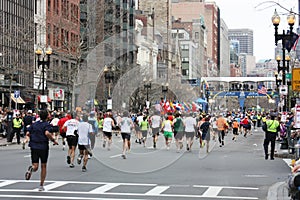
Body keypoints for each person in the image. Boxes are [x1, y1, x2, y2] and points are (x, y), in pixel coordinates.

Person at [24, 110, 58, 191]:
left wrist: (28, 139)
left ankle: (31, 169)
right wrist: (53, 140)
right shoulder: (47, 125)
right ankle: (41, 185)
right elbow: (47, 133)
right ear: (47, 116)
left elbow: (28, 133)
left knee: (35, 166)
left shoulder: (34, 124)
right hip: (43, 146)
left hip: (34, 146)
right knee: (43, 166)